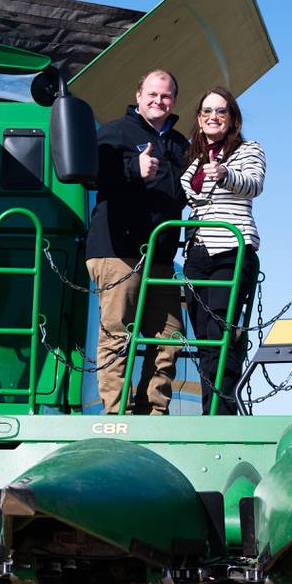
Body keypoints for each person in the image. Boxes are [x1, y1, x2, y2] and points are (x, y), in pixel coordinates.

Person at [85, 68, 189, 414]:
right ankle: (115, 412)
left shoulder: (179, 144)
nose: (159, 101)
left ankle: (153, 411)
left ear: (174, 100)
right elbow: (89, 175)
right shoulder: (114, 133)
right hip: (118, 250)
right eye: (153, 94)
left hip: (161, 256)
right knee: (118, 334)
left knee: (170, 336)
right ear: (139, 95)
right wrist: (133, 168)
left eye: (166, 95)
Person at [180, 86, 265, 415]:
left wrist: (226, 173)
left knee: (220, 331)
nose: (213, 117)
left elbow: (254, 184)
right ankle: (209, 407)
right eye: (206, 112)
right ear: (199, 120)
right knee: (202, 335)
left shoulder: (248, 151)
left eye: (220, 111)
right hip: (197, 254)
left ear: (232, 119)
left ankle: (222, 410)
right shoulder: (195, 157)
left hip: (231, 249)